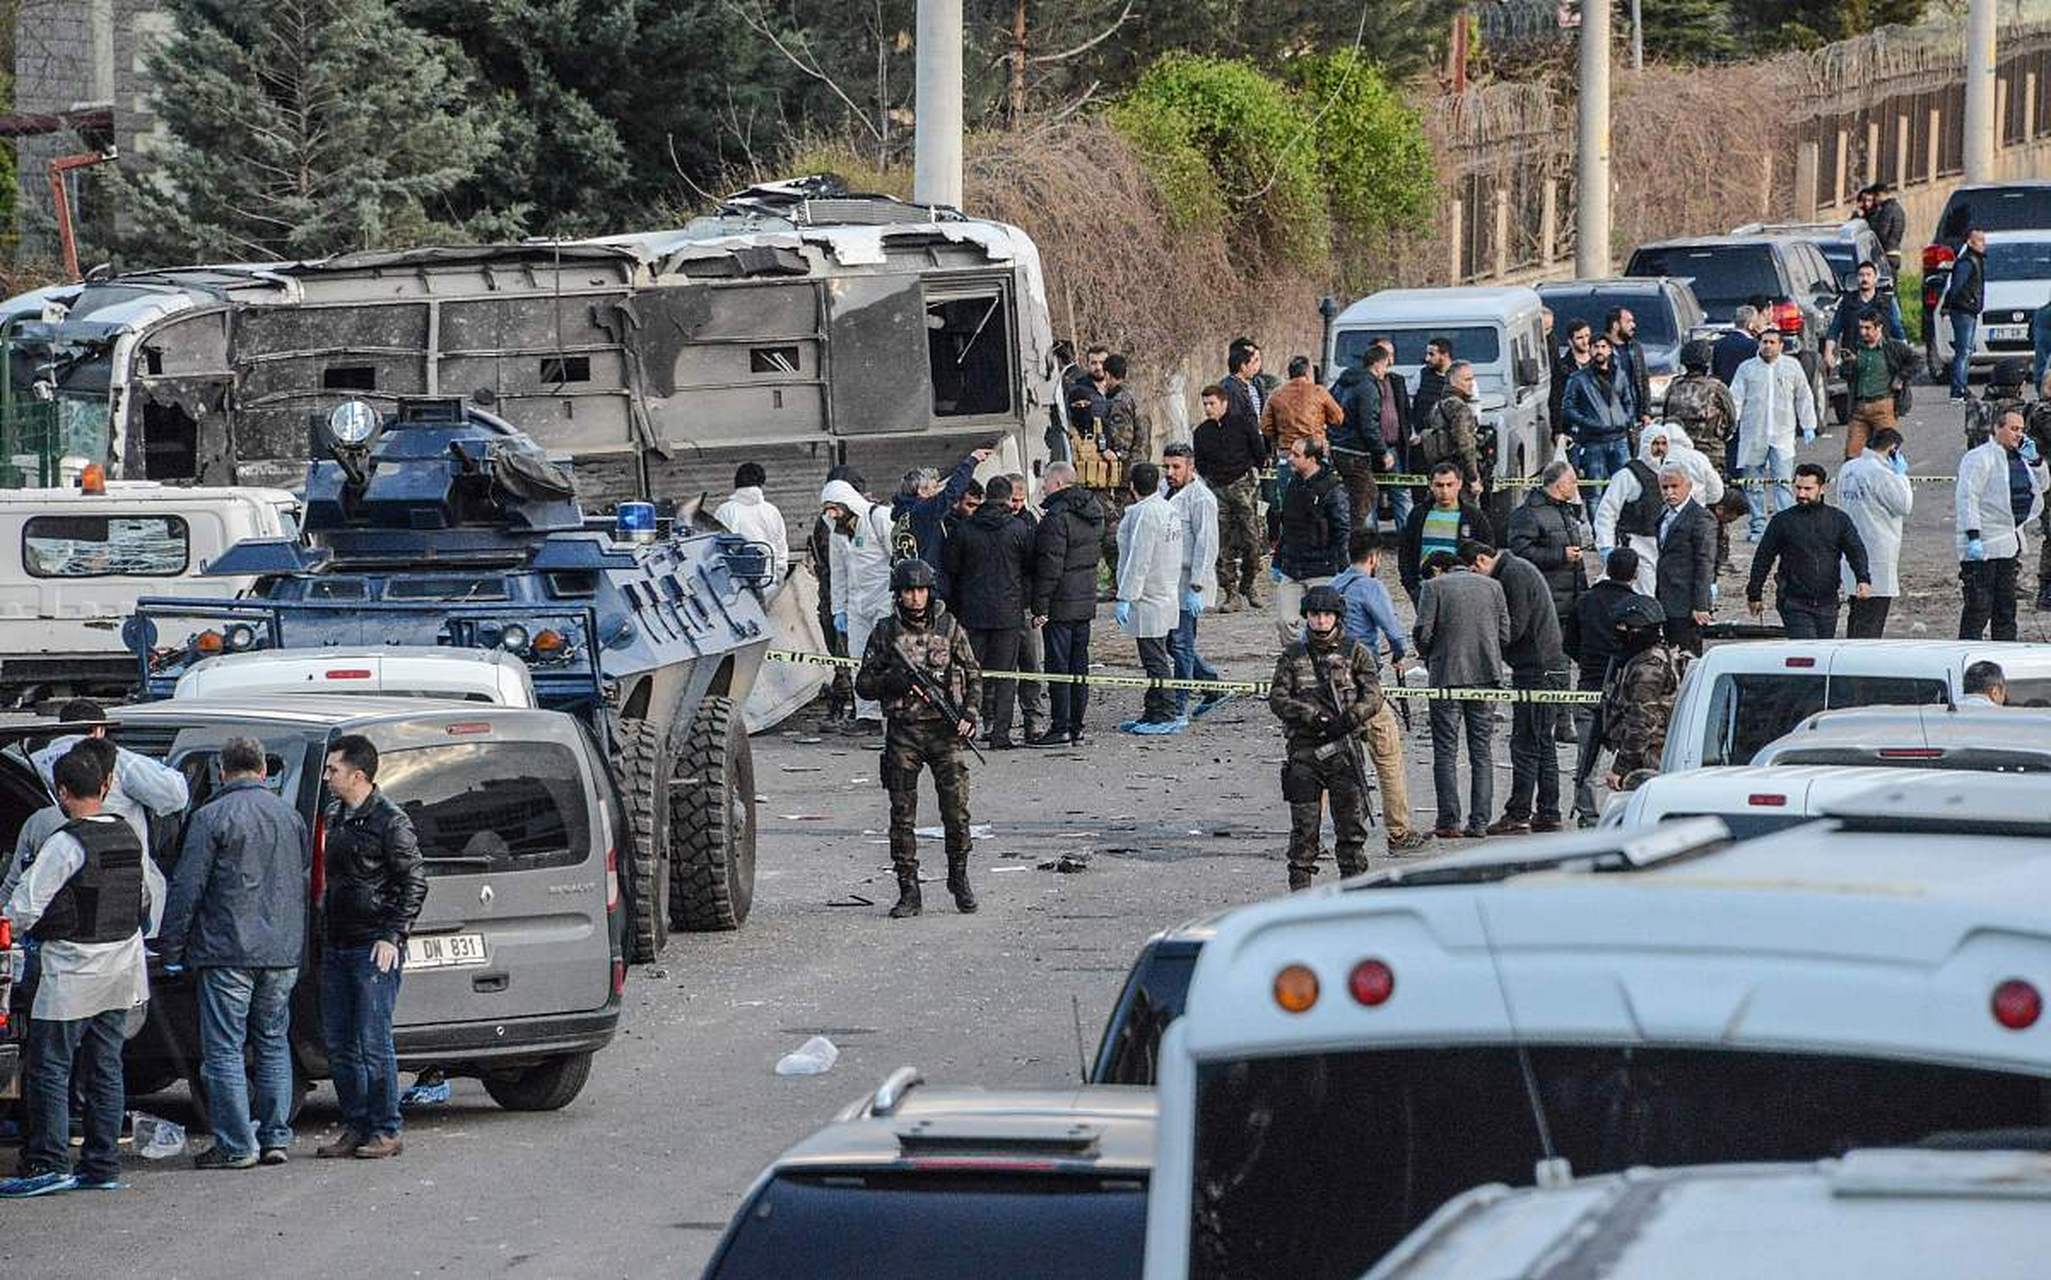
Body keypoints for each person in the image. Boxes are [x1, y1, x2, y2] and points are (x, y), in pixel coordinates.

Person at [0, 745, 163, 1199]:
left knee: (51, 1069)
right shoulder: (129, 835)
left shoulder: (65, 843)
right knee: (106, 1068)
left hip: (71, 973)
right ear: (107, 787)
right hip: (121, 972)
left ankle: (50, 1163)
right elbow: (144, 900)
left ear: (61, 792)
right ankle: (101, 1164)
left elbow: (22, 909)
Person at [157, 736, 310, 1169]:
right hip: (281, 950)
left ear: (222, 772)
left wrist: (171, 945)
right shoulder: (290, 816)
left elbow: (188, 887)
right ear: (264, 771)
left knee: (224, 1048)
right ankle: (276, 1136)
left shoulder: (210, 817)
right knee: (273, 1042)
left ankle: (237, 1144)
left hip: (227, 950)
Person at [315, 734, 426, 1161]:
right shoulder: (337, 814)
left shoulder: (390, 821)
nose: (327, 777)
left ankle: (385, 1128)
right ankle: (356, 1124)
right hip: (339, 942)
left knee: (372, 1041)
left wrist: (392, 934)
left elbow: (414, 881)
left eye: (334, 770)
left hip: (371, 946)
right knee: (340, 1043)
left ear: (358, 775)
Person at [853, 559, 982, 917]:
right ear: (898, 594)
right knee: (902, 816)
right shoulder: (884, 632)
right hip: (903, 734)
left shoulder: (948, 625)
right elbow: (862, 685)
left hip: (945, 733)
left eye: (921, 590)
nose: (915, 597)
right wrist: (888, 681)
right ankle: (908, 890)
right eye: (908, 591)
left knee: (956, 813)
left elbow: (973, 674)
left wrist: (969, 714)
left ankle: (959, 878)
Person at [1267, 585, 1387, 890]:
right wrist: (1311, 716)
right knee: (1304, 833)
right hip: (1305, 752)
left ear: (1337, 617)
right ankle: (1301, 899)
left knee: (1351, 833)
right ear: (1307, 617)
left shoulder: (1355, 652)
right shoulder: (1293, 656)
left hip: (1344, 753)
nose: (1320, 620)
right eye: (1315, 615)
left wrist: (1350, 717)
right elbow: (1278, 699)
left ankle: (1354, 898)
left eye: (1326, 615)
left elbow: (1374, 696)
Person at [1329, 532, 1433, 856]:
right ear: (1375, 558)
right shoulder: (1371, 587)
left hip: (1331, 686)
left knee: (1329, 758)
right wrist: (1401, 653)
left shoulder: (1332, 585)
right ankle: (1399, 832)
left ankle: (1316, 835)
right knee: (1387, 757)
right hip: (1365, 685)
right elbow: (1392, 628)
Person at [1465, 542, 1566, 835]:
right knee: (1541, 741)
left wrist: (1485, 641)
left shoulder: (1513, 575)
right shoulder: (1515, 570)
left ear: (1482, 560)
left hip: (1536, 668)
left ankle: (1519, 812)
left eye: (1474, 572)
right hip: (1544, 664)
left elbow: (1516, 626)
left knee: (1525, 742)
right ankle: (1548, 811)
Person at [1413, 549, 1510, 839]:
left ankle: (1448, 821)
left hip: (1446, 676)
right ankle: (1479, 821)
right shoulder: (1494, 586)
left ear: (1438, 570)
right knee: (1482, 751)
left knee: (1446, 751)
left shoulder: (1433, 587)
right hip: (1486, 676)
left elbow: (1423, 633)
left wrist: (1429, 654)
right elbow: (1505, 634)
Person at [944, 474, 1037, 749]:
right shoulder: (1019, 529)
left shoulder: (964, 529)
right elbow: (1030, 567)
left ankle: (965, 730)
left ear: (985, 497)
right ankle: (1001, 734)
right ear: (1009, 499)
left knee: (970, 674)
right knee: (1005, 675)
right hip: (1008, 613)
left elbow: (952, 569)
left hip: (972, 613)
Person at [33, 698, 189, 849]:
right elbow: (174, 795)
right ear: (98, 729)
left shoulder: (31, 761)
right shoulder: (118, 760)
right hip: (120, 861)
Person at [1745, 463, 1872, 640]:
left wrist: (1863, 579)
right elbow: (1763, 558)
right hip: (1794, 602)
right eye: (1798, 488)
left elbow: (1855, 550)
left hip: (1828, 602)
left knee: (1823, 654)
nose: (1801, 494)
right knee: (1806, 652)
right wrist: (1754, 593)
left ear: (1821, 488)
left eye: (1807, 489)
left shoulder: (1838, 519)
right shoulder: (1782, 521)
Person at [1596, 424, 1720, 597]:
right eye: (1655, 443)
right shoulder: (1628, 475)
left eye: (1663, 443)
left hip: (1665, 548)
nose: (1659, 448)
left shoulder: (1670, 474)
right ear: (1646, 444)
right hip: (1637, 546)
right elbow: (1607, 512)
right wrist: (1606, 546)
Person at [1028, 462, 1104, 747]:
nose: (1043, 487)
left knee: (1059, 667)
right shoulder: (1092, 512)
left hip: (1060, 604)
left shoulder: (1056, 518)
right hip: (1084, 602)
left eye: (1046, 482)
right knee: (1079, 666)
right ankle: (1077, 726)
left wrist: (1040, 606)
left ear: (1058, 483)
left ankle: (1061, 726)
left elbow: (1050, 567)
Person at [1957, 409, 2049, 641]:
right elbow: (1968, 497)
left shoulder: (2020, 457)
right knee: (1978, 607)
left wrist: (2036, 460)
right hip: (1983, 543)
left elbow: (2043, 486)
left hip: (2008, 543)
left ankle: (2005, 651)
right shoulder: (1979, 458)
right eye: (2013, 429)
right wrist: (1973, 535)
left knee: (2006, 607)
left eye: (2021, 430)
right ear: (1998, 428)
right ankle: (1968, 652)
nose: (2018, 434)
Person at [1572, 549, 1649, 824]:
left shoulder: (1585, 601)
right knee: (1633, 752)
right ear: (1635, 573)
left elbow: (1569, 641)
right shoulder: (1640, 606)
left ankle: (1588, 815)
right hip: (1624, 689)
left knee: (1587, 758)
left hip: (1589, 683)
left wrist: (1587, 660)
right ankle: (1633, 811)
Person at [821, 474, 898, 733]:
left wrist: (902, 600)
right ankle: (867, 714)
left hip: (885, 598)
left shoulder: (879, 519)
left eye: (835, 508)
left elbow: (899, 558)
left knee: (887, 658)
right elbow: (838, 572)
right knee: (858, 658)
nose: (832, 514)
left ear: (847, 503)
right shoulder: (837, 533)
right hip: (856, 604)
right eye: (827, 510)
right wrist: (838, 609)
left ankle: (891, 712)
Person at [1114, 461, 1185, 734]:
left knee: (1154, 660)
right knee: (1156, 657)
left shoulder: (1147, 513)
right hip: (1164, 592)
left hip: (1149, 598)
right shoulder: (1167, 508)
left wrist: (1126, 596)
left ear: (1132, 485)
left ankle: (1164, 713)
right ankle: (1152, 710)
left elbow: (1138, 559)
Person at [1731, 327, 1815, 540]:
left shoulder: (1792, 367)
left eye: (1771, 342)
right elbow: (1736, 398)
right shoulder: (1747, 369)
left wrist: (1808, 425)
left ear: (1781, 345)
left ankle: (1784, 527)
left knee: (1783, 483)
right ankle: (1758, 526)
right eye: (1764, 342)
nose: (1767, 346)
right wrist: (1732, 424)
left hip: (1782, 435)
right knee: (1752, 483)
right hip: (1753, 434)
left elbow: (1803, 396)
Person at [1600, 596, 1690, 792]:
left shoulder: (1647, 670)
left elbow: (1641, 723)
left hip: (1649, 760)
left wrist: (1621, 767)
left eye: (1624, 627)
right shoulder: (1654, 656)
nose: (1619, 632)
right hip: (1651, 755)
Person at [1195, 379, 1267, 612]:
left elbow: (1259, 452)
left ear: (1224, 403)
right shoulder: (1202, 433)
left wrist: (1252, 474)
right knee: (1221, 543)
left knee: (1252, 540)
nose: (1208, 408)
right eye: (1205, 404)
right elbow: (1201, 464)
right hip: (1217, 489)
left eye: (1212, 403)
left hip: (1243, 486)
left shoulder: (1242, 424)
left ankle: (1249, 583)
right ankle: (1231, 592)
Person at [1163, 443, 1223, 721]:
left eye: (1176, 467)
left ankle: (1179, 704)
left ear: (1191, 467)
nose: (1170, 473)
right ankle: (1212, 685)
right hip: (1169, 579)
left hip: (1189, 581)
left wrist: (1197, 586)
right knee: (1171, 643)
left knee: (1181, 644)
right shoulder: (1167, 493)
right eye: (1167, 467)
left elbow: (1207, 544)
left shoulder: (1201, 498)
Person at [1836, 427, 1914, 638]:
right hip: (1877, 553)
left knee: (1856, 614)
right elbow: (1904, 504)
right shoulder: (1882, 473)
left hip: (1851, 551)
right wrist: (1901, 475)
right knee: (1871, 619)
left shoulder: (1848, 468)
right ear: (1893, 449)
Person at [1272, 435, 1351, 644]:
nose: (1290, 458)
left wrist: (1343, 564)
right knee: (1285, 621)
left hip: (1322, 568)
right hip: (1292, 567)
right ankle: (1296, 660)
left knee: (1324, 624)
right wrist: (1278, 560)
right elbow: (1287, 525)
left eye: (1296, 455)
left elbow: (1342, 528)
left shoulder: (1332, 488)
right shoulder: (1293, 483)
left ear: (1312, 459)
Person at [1508, 462, 1588, 662]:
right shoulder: (1528, 513)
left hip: (1569, 605)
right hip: (1546, 603)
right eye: (1572, 482)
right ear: (1560, 485)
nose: (1575, 487)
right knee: (1547, 664)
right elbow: (1521, 554)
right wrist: (1561, 555)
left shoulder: (1566, 510)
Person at [808, 465, 866, 725]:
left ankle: (847, 705)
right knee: (842, 655)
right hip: (836, 597)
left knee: (847, 657)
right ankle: (847, 704)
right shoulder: (829, 522)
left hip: (847, 599)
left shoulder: (861, 518)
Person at [889, 446, 991, 579]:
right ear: (921, 491)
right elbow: (952, 492)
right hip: (925, 583)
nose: (936, 492)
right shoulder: (923, 511)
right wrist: (972, 460)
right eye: (934, 487)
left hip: (906, 582)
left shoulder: (902, 515)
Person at [1399, 462, 1493, 605]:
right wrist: (1411, 586)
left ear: (1459, 484)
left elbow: (1488, 553)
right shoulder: (1418, 515)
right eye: (1439, 485)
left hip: (1463, 591)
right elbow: (1405, 551)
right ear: (1431, 485)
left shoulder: (1474, 517)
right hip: (1425, 589)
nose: (1444, 491)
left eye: (1450, 485)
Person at [1834, 310, 1918, 459]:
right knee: (1852, 456)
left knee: (1888, 453)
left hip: (1883, 406)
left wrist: (1900, 377)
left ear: (1879, 327)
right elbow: (1845, 375)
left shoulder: (1892, 347)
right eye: (1861, 328)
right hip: (1859, 408)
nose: (1863, 332)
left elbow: (1916, 361)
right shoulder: (1857, 348)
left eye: (1867, 328)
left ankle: (1894, 480)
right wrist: (1849, 364)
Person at [1653, 466, 1716, 654]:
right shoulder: (1665, 514)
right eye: (1665, 488)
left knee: (1687, 656)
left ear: (1688, 486)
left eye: (1674, 486)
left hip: (1687, 602)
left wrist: (1700, 604)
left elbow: (1705, 563)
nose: (1669, 492)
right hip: (1666, 598)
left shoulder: (1700, 517)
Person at [1003, 475, 1046, 742]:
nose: (1017, 505)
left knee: (1032, 667)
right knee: (999, 669)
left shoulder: (1031, 523)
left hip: (1027, 605)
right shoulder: (994, 523)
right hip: (1003, 606)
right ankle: (996, 722)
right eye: (1013, 500)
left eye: (1021, 500)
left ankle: (1034, 720)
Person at [1096, 354, 1146, 579]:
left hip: (1125, 476)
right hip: (1138, 472)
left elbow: (1122, 442)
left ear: (1107, 375)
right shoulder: (1135, 397)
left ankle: (1120, 578)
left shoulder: (1118, 402)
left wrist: (1111, 454)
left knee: (1115, 530)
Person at [1560, 334, 1635, 486]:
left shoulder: (1619, 375)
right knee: (1594, 489)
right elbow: (1567, 409)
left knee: (1625, 487)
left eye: (1603, 347)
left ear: (1610, 350)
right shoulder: (1578, 378)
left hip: (1619, 438)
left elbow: (1629, 401)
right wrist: (1589, 423)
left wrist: (1625, 420)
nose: (1599, 351)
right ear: (1590, 349)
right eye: (1596, 347)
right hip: (1593, 441)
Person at [1662, 339, 1738, 477]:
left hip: (1679, 451)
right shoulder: (1717, 387)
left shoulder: (1674, 385)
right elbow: (1731, 419)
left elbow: (1665, 415)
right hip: (1711, 451)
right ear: (1707, 362)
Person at [712, 462, 790, 582]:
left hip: (734, 583)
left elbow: (715, 547)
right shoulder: (771, 511)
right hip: (767, 579)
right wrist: (779, 575)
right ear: (761, 482)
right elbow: (781, 548)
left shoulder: (724, 510)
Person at [1820, 260, 1907, 365]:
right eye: (1861, 275)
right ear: (1856, 278)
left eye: (1868, 275)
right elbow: (1834, 329)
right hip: (1854, 360)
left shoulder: (1887, 302)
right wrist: (1828, 352)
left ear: (1875, 279)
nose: (1865, 278)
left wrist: (1904, 356)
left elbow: (1898, 330)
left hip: (1882, 360)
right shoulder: (1847, 302)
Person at [1416, 360, 1483, 493]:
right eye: (1467, 379)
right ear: (1453, 381)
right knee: (1468, 513)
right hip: (1459, 474)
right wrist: (1474, 478)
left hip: (1439, 472)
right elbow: (1465, 444)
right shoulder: (1459, 408)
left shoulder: (1439, 404)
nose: (1471, 384)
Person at [1941, 228, 1990, 402]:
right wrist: (1965, 303)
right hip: (1963, 311)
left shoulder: (1975, 260)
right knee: (1964, 351)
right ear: (1970, 242)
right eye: (1980, 241)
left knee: (1966, 351)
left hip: (1968, 310)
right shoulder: (1967, 261)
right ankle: (1958, 390)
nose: (1984, 245)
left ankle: (1961, 387)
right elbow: (1956, 287)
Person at [1549, 319, 1594, 441]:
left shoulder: (1601, 363)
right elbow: (1556, 399)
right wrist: (1558, 430)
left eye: (1587, 336)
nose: (1585, 341)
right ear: (1570, 341)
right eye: (1579, 338)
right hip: (1573, 430)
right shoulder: (1562, 368)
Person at [1605, 308, 1651, 426]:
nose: (1633, 325)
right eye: (1628, 322)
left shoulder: (1635, 348)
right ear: (1615, 325)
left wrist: (1646, 412)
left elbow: (1643, 380)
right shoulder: (1601, 349)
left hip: (1635, 416)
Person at [1410, 336, 1454, 434]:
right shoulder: (1421, 375)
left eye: (1431, 354)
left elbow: (1473, 405)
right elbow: (1409, 405)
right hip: (1423, 437)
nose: (1427, 358)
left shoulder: (1460, 376)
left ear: (1445, 355)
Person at [1712, 304, 1763, 388]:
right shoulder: (1754, 345)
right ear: (1750, 325)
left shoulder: (1719, 344)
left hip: (1724, 390)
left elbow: (1715, 371)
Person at [1864, 182, 1906, 273]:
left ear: (1880, 195)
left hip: (1885, 254)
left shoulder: (1886, 210)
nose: (1875, 202)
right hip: (1895, 252)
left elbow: (1882, 232)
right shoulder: (1899, 209)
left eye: (1875, 198)